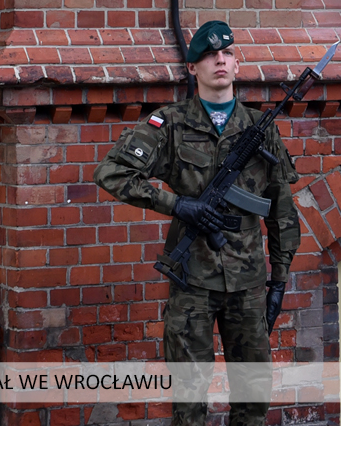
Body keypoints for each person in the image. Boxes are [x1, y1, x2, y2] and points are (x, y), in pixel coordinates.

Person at [92, 21, 300, 426]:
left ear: (236, 64)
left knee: (253, 395)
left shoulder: (261, 128)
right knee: (189, 399)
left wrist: (280, 279)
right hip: (192, 284)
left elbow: (282, 209)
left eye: (226, 54)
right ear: (192, 68)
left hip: (248, 286)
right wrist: (176, 204)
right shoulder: (168, 125)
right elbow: (111, 172)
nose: (219, 60)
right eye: (208, 55)